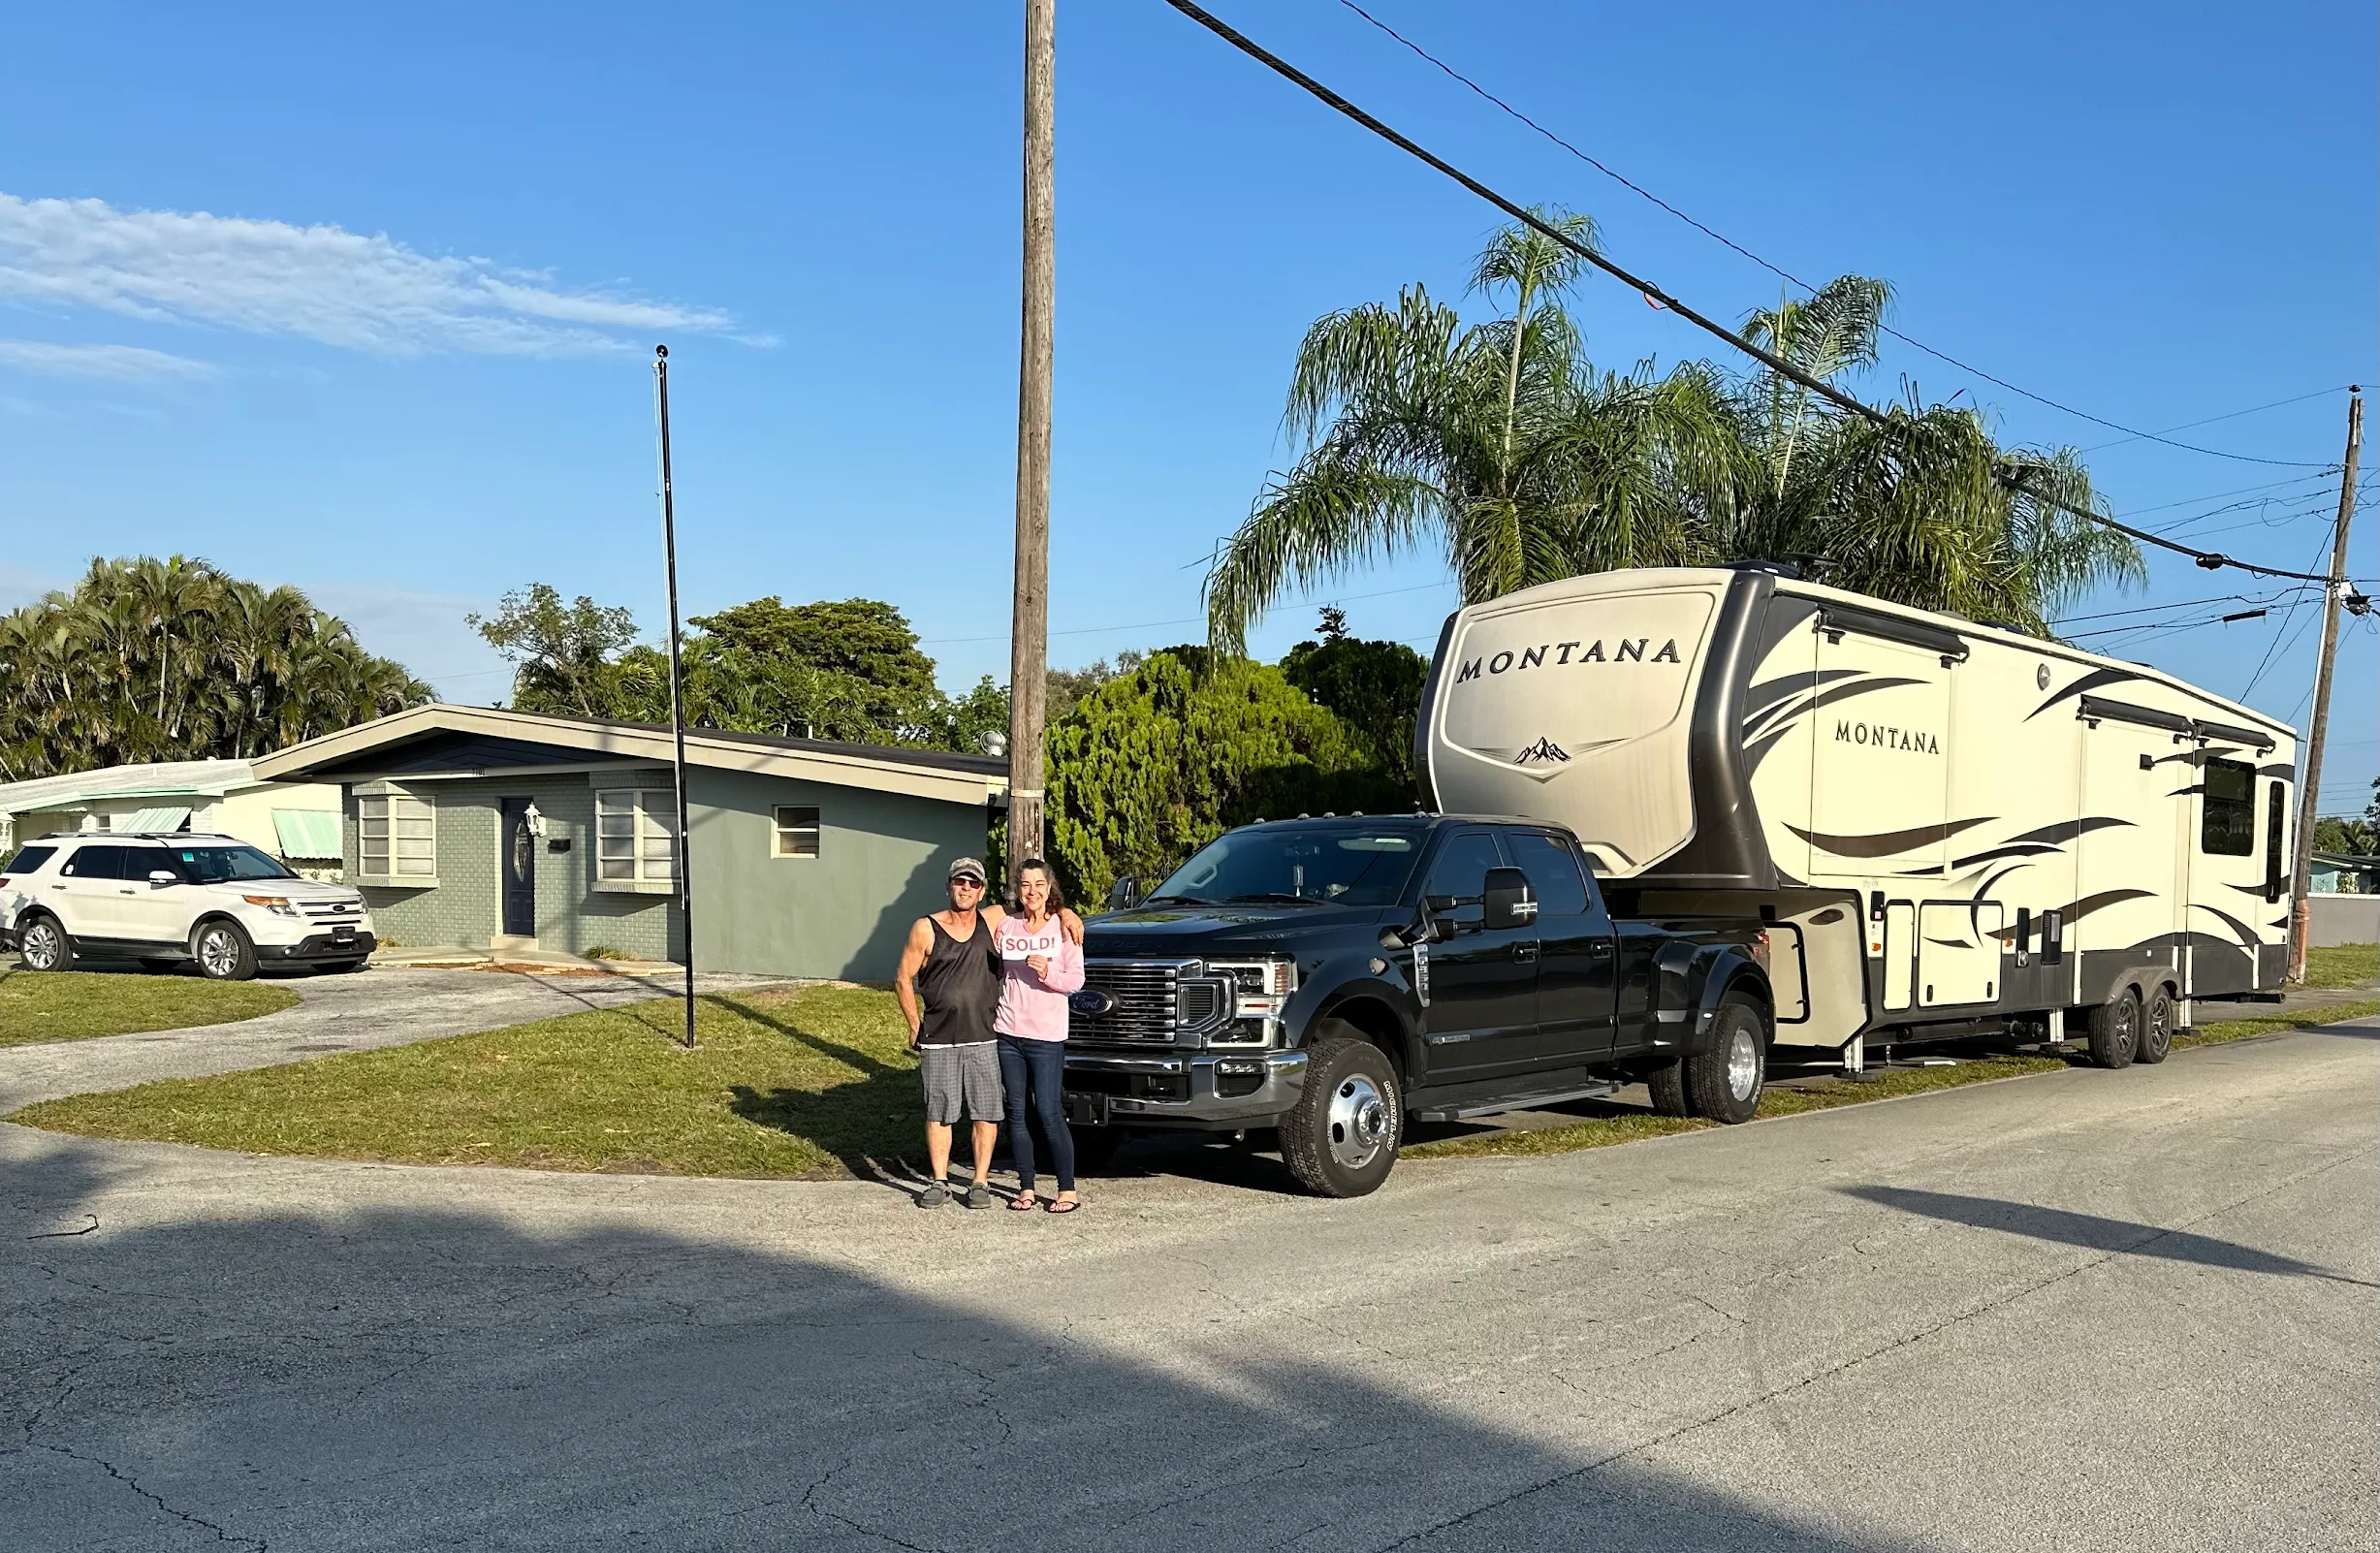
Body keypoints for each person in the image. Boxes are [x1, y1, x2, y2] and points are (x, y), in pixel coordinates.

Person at [892, 857, 1083, 1209]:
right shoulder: (930, 927)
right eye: (960, 882)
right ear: (948, 885)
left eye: (974, 883)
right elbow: (902, 977)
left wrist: (1066, 913)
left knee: (1006, 1112)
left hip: (995, 1035)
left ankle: (990, 1183)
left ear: (982, 890)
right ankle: (947, 1181)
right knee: (947, 1112)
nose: (966, 889)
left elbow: (1038, 905)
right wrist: (914, 1024)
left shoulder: (997, 919)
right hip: (963, 1034)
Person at [993, 859, 1085, 1213]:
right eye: (1025, 884)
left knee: (1048, 1112)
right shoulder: (1006, 927)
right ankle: (1026, 1187)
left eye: (1038, 885)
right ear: (1018, 889)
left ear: (1050, 889)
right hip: (1008, 1032)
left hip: (1046, 1036)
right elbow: (999, 969)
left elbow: (1075, 981)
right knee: (1016, 1113)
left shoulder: (1064, 929)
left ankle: (1067, 1190)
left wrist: (1048, 972)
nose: (1031, 892)